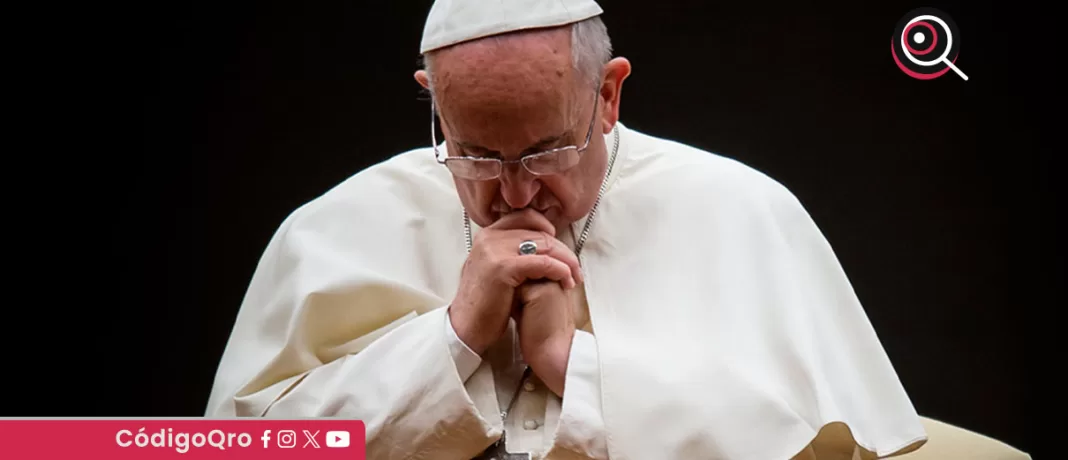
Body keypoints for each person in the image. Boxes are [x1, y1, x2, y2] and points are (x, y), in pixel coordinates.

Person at [204, 0, 933, 458]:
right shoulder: (334, 227)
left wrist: (567, 361)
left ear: (609, 93)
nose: (515, 191)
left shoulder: (745, 210)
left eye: (547, 151)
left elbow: (815, 447)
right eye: (477, 154)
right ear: (434, 103)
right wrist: (453, 338)